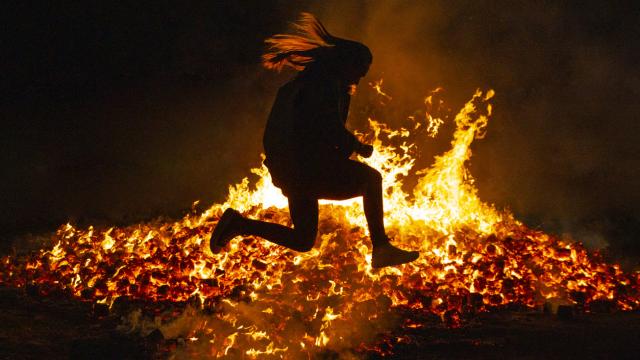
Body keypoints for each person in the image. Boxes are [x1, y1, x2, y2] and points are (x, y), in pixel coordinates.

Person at [209, 13, 419, 268]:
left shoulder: (309, 82)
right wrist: (357, 146)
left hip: (292, 169)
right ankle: (382, 247)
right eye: (359, 71)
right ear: (345, 63)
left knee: (302, 239)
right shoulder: (324, 84)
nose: (359, 78)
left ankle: (238, 224)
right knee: (371, 180)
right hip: (304, 167)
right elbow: (325, 125)